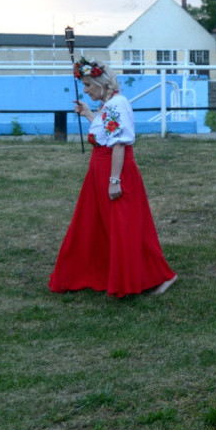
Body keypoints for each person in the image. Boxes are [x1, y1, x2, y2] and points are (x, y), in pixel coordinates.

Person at [49, 58, 177, 297]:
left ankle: (160, 275)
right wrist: (88, 113)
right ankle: (111, 272)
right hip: (100, 169)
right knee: (102, 225)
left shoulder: (117, 104)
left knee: (125, 227)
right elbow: (105, 134)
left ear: (101, 83)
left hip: (114, 170)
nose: (85, 90)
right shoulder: (108, 105)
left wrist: (114, 180)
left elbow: (118, 144)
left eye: (88, 85)